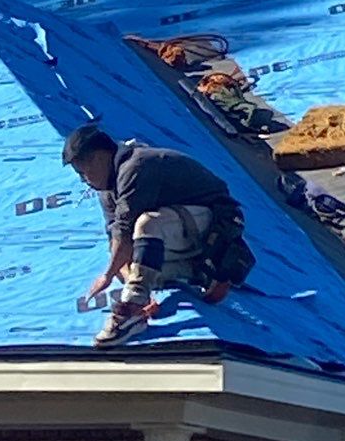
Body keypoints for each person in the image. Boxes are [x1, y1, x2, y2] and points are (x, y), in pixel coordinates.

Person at [61, 124, 253, 348]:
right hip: (182, 230)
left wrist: (112, 280)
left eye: (83, 172)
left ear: (99, 157)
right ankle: (202, 273)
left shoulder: (135, 166)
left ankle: (131, 310)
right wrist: (133, 281)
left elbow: (124, 234)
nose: (84, 180)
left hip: (215, 222)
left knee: (148, 223)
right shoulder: (107, 191)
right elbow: (116, 241)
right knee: (133, 265)